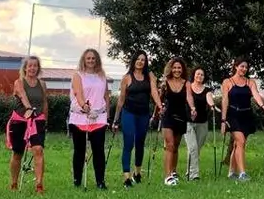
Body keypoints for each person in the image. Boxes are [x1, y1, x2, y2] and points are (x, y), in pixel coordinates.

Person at [112, 51, 163, 188]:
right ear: (134, 61)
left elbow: (154, 92)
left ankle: (137, 173)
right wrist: (116, 120)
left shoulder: (150, 76)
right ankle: (126, 177)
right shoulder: (127, 78)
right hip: (129, 113)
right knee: (128, 143)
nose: (140, 62)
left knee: (140, 143)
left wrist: (159, 106)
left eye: (143, 60)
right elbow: (121, 100)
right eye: (138, 59)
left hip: (143, 114)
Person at [219, 57, 264, 181]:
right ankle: (242, 173)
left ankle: (231, 173)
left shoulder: (250, 82)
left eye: (246, 67)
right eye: (241, 66)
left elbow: (256, 95)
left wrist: (263, 106)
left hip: (246, 115)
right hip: (233, 115)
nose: (244, 69)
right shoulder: (227, 82)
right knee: (240, 141)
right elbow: (225, 101)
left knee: (239, 144)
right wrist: (223, 120)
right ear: (236, 66)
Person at [69, 48, 110, 190]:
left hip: (99, 117)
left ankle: (100, 181)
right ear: (84, 60)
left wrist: (108, 114)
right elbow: (78, 93)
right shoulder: (78, 75)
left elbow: (106, 96)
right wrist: (84, 106)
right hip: (80, 117)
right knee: (79, 150)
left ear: (97, 60)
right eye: (88, 58)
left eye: (93, 58)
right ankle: (77, 179)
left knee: (98, 150)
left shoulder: (102, 75)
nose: (91, 60)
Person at [7, 55, 49, 193]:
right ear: (25, 68)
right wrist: (29, 109)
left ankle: (39, 184)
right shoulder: (19, 82)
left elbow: (44, 102)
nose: (32, 68)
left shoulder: (42, 84)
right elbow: (23, 95)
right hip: (20, 120)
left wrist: (44, 119)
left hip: (38, 121)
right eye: (29, 65)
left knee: (38, 150)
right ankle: (14, 182)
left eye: (35, 65)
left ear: (38, 68)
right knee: (17, 153)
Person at [159, 57, 197, 186]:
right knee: (169, 145)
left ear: (182, 69)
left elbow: (189, 97)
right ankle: (168, 176)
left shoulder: (186, 83)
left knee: (175, 146)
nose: (177, 70)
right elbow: (159, 99)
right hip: (168, 116)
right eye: (174, 67)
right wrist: (158, 111)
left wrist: (192, 108)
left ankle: (173, 171)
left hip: (181, 116)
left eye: (179, 68)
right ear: (171, 69)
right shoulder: (165, 82)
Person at [184, 67, 215, 181]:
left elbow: (209, 99)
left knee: (196, 149)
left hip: (202, 123)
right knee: (192, 148)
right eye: (198, 74)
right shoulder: (188, 87)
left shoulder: (207, 90)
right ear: (194, 75)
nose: (199, 76)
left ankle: (189, 172)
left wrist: (212, 106)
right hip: (188, 123)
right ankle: (194, 175)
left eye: (202, 75)